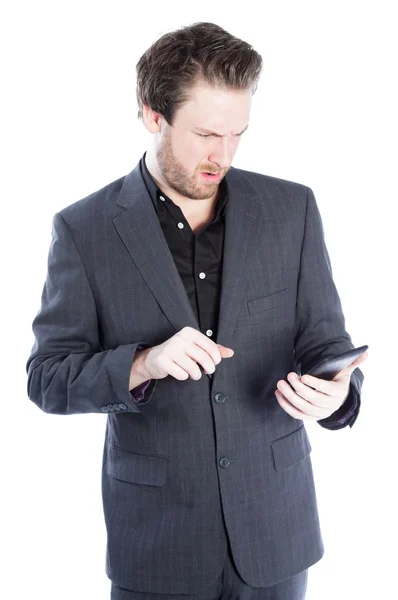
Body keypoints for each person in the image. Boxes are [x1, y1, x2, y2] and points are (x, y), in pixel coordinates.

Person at [26, 21, 368, 600]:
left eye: (238, 134)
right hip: (158, 543)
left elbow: (326, 347)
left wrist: (339, 395)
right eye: (207, 134)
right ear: (152, 115)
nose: (225, 155)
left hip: (276, 534)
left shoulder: (293, 210)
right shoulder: (83, 231)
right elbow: (47, 378)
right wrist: (144, 362)